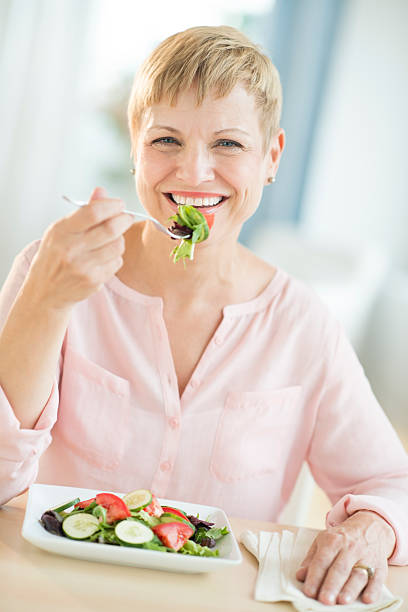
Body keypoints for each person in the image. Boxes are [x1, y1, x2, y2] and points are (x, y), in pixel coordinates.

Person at [0, 25, 407, 605]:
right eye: (166, 140)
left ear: (271, 157)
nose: (193, 172)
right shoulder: (53, 269)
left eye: (229, 144)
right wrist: (47, 302)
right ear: (135, 144)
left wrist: (373, 526)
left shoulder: (302, 326)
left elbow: (392, 483)